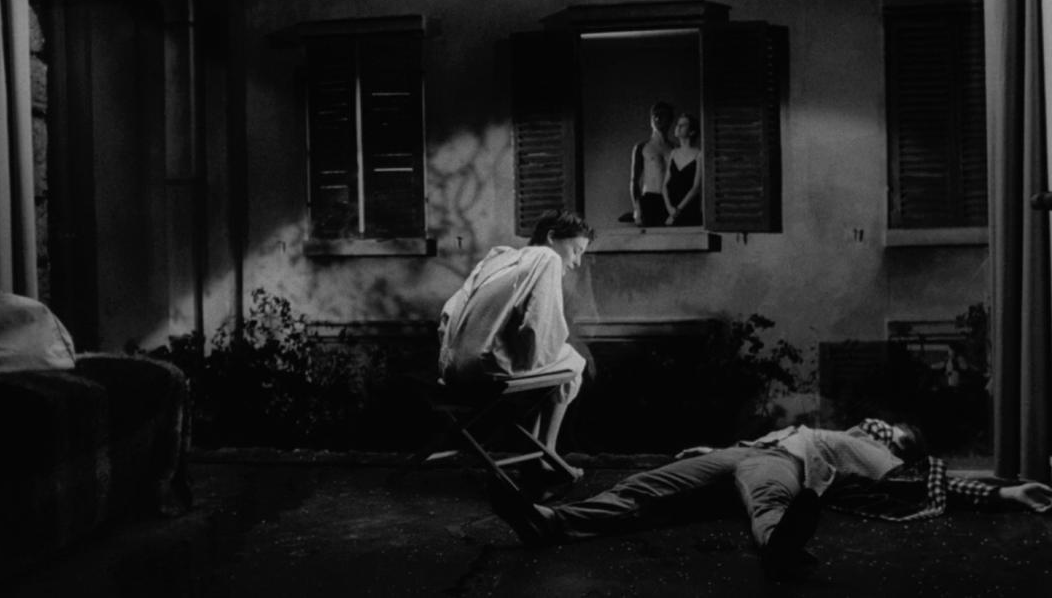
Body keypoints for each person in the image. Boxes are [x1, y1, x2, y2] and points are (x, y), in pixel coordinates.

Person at [488, 417, 1052, 581]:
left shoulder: (877, 455)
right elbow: (762, 442)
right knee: (645, 488)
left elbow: (938, 482)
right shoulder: (840, 430)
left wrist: (1008, 492)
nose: (882, 427)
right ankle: (549, 521)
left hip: (781, 468)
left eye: (895, 433)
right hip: (744, 451)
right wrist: (713, 448)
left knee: (769, 507)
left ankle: (780, 547)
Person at [438, 210, 594, 477]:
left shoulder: (501, 257)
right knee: (573, 364)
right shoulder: (546, 257)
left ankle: (536, 455)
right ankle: (546, 453)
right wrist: (534, 354)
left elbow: (450, 311)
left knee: (552, 364)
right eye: (576, 250)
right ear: (552, 237)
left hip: (453, 368)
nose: (577, 262)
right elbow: (539, 327)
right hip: (485, 372)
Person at [629, 101, 675, 227]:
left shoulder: (675, 148)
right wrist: (637, 209)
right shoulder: (642, 147)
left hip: (671, 201)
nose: (657, 118)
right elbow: (634, 181)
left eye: (662, 115)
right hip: (650, 200)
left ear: (670, 119)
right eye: (655, 115)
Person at [663, 112, 704, 227]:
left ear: (692, 132)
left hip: (688, 210)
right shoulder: (673, 153)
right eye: (678, 124)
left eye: (683, 124)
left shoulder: (699, 154)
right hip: (670, 209)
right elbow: (664, 185)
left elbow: (696, 188)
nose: (678, 126)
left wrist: (677, 211)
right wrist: (669, 208)